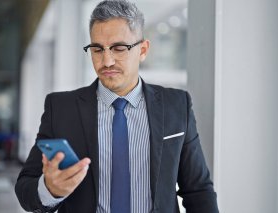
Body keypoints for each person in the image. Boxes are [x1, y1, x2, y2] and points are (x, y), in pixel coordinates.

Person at [15, 0, 219, 212]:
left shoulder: (176, 105)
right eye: (97, 49)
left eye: (119, 48)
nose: (107, 61)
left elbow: (197, 189)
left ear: (143, 50)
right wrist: (50, 189)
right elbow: (25, 187)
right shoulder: (61, 109)